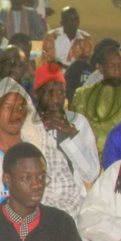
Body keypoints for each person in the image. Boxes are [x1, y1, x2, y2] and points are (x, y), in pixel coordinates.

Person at [0, 78, 82, 221]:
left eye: (21, 108)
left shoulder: (51, 157)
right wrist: (14, 226)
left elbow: (70, 202)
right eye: (8, 107)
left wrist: (34, 225)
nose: (16, 114)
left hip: (44, 236)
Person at [32, 62, 100, 205]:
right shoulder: (26, 124)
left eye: (61, 92)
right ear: (36, 94)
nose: (56, 99)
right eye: (49, 93)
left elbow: (91, 174)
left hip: (73, 201)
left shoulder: (78, 122)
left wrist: (72, 134)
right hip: (36, 202)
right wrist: (38, 131)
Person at [71, 44, 121, 154]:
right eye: (112, 65)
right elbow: (79, 126)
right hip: (90, 152)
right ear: (101, 69)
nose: (118, 70)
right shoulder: (82, 94)